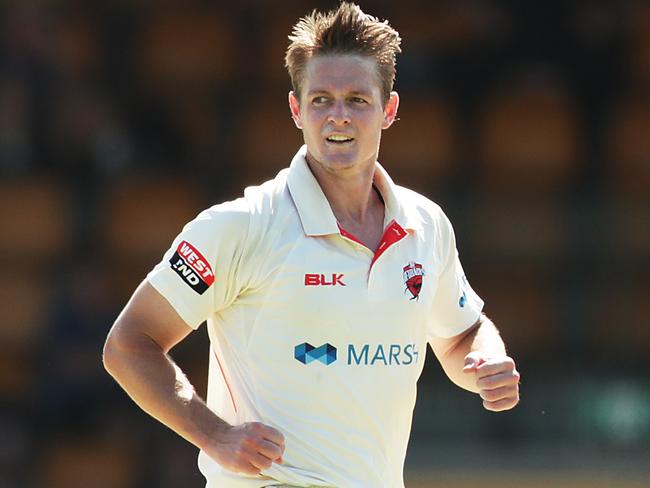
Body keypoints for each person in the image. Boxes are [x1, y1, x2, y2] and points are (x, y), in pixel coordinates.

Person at [103, 3, 520, 487]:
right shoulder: (242, 226)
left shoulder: (425, 224)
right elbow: (129, 345)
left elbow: (459, 335)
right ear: (296, 109)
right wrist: (215, 436)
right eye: (321, 99)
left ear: (389, 110)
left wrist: (486, 361)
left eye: (357, 100)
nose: (337, 117)